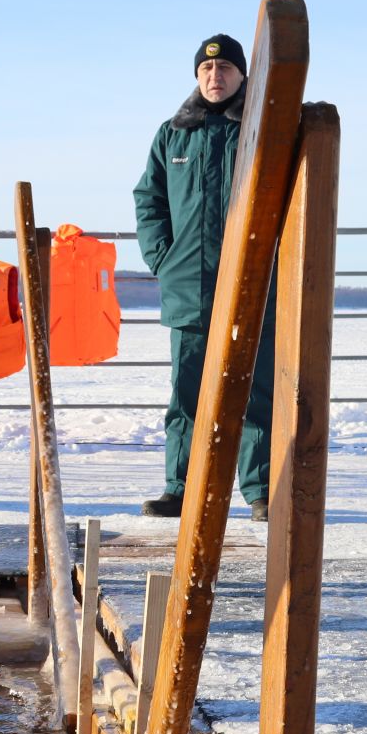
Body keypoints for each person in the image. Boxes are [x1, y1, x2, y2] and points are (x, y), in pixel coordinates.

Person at [133, 33, 276, 522]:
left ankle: (260, 490)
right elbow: (149, 199)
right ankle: (181, 486)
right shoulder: (173, 133)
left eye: (226, 70)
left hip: (253, 283)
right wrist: (162, 258)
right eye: (206, 71)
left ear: (243, 76)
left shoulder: (264, 128)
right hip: (189, 285)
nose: (215, 78)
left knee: (255, 392)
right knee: (188, 393)